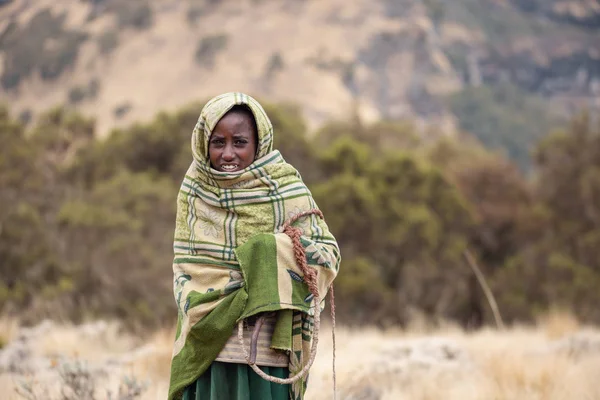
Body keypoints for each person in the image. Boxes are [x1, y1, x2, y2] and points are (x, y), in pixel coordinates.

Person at [168, 92, 340, 400]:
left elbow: (327, 256)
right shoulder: (194, 190)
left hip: (267, 350)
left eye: (239, 142)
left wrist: (270, 252)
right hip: (209, 348)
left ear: (258, 143)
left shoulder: (285, 186)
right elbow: (188, 268)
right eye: (218, 142)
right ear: (203, 143)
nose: (228, 153)